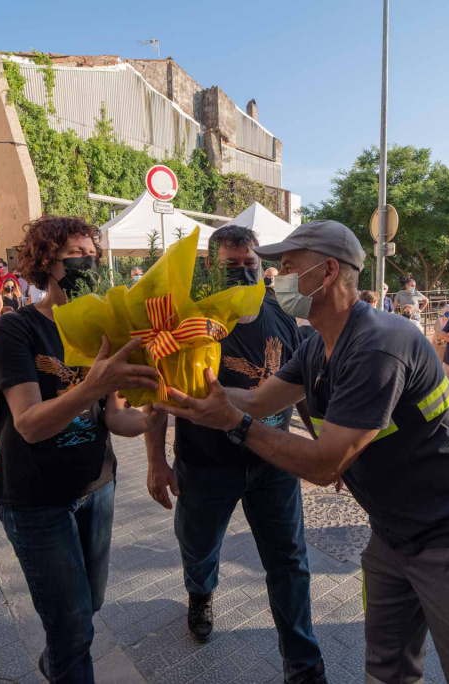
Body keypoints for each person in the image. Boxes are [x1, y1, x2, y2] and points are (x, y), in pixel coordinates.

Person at [154, 220, 449, 683]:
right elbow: (258, 400)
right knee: (387, 664)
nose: (279, 277)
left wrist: (232, 423)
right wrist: (176, 389)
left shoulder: (379, 343)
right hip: (394, 535)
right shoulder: (317, 344)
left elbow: (322, 464)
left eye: (289, 267)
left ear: (328, 271)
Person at [0, 215, 165, 684]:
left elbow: (114, 416)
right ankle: (66, 662)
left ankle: (59, 661)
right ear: (46, 263)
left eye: (93, 255)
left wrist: (159, 414)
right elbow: (29, 425)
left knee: (89, 605)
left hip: (96, 487)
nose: (89, 263)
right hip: (35, 500)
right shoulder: (16, 330)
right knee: (73, 626)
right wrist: (91, 385)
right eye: (76, 256)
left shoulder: (106, 325)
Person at [143, 225, 326, 683]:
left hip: (275, 462)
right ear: (210, 266)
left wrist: (323, 444)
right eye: (232, 266)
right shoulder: (191, 319)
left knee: (289, 562)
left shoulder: (281, 315)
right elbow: (159, 394)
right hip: (205, 465)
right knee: (200, 546)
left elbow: (302, 389)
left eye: (250, 266)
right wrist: (155, 461)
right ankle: (200, 593)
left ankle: (303, 665)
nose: (243, 274)